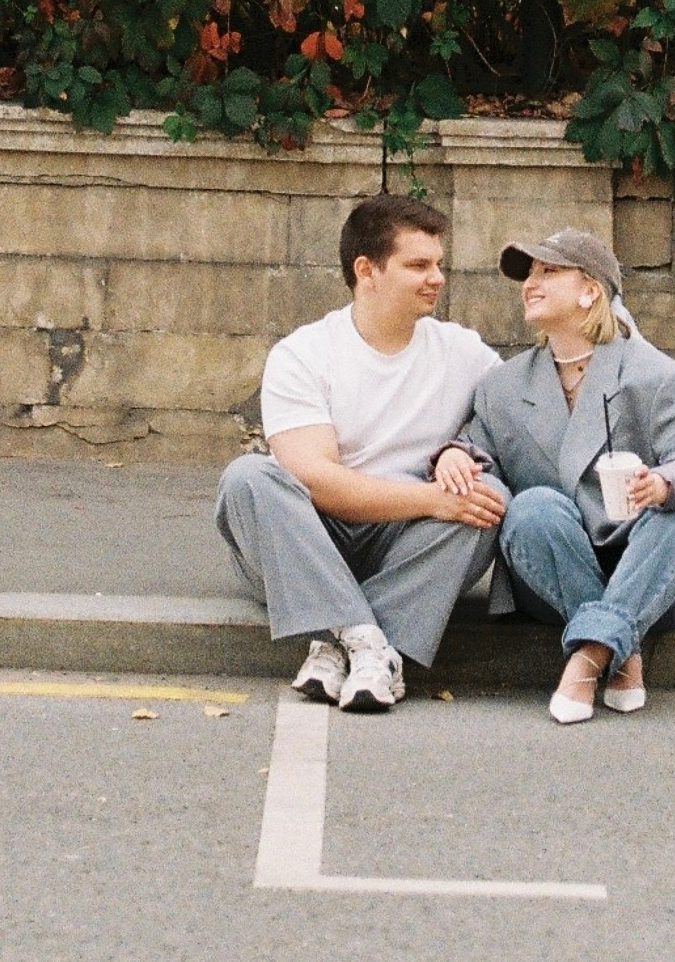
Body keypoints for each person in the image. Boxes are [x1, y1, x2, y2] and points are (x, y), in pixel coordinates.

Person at [214, 191, 504, 714]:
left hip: (407, 547)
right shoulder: (303, 354)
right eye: (418, 265)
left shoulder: (462, 352)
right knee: (249, 477)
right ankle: (368, 640)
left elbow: (520, 412)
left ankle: (336, 643)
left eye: (438, 264)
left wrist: (458, 449)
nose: (437, 278)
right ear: (367, 270)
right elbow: (317, 481)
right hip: (311, 541)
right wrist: (432, 501)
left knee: (486, 496)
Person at [447, 227, 675, 724]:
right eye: (529, 274)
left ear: (590, 291)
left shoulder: (656, 374)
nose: (530, 284)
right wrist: (451, 457)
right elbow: (480, 455)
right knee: (532, 506)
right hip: (553, 569)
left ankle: (588, 657)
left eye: (549, 271)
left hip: (653, 572)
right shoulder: (502, 386)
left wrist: (664, 482)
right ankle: (622, 643)